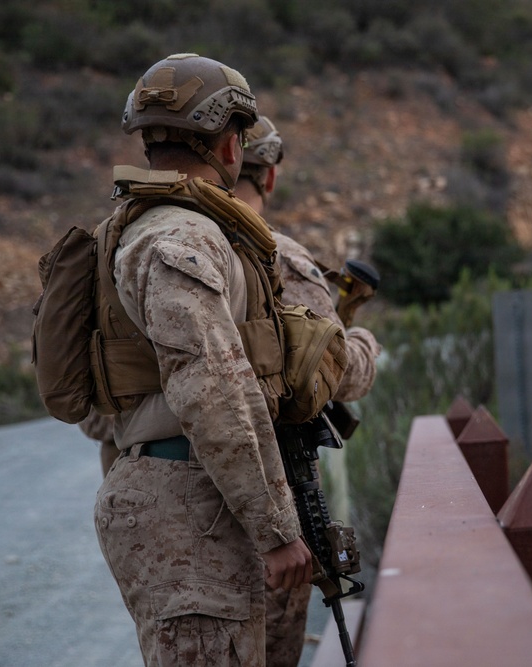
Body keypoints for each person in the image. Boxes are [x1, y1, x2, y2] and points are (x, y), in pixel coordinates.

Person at [92, 54, 311, 667]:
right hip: (189, 509)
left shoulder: (164, 227)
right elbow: (209, 386)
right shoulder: (180, 238)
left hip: (197, 498)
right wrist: (275, 529)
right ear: (230, 143)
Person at [237, 116, 381, 667]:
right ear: (269, 176)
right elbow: (338, 373)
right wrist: (363, 342)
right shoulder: (275, 253)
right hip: (265, 499)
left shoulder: (147, 242)